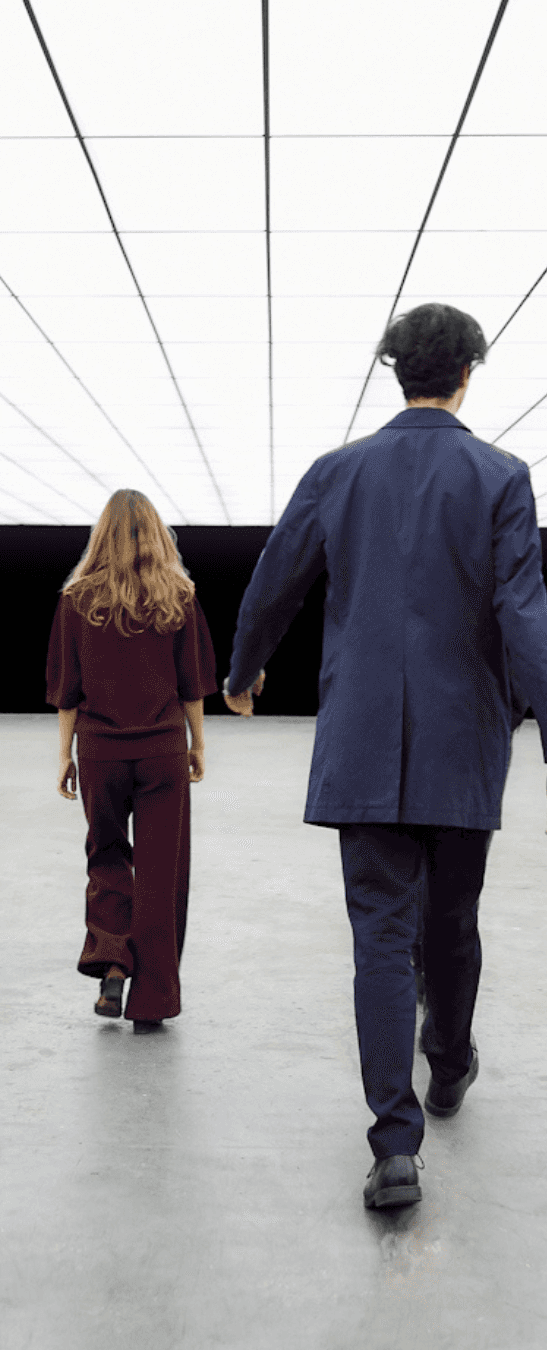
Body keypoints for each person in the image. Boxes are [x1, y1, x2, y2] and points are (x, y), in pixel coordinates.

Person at [223, 302, 547, 1209]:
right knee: (453, 920)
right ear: (470, 374)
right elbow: (524, 611)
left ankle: (394, 1147)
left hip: (362, 741)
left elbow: (275, 578)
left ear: (393, 371)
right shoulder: (502, 475)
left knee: (379, 939)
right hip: (463, 742)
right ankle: (448, 1068)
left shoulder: (339, 471)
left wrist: (242, 670)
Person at [46, 489, 218, 1031]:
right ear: (158, 534)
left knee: (107, 857)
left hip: (100, 750)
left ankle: (113, 960)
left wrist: (64, 757)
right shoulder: (180, 596)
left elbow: (66, 691)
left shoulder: (76, 600)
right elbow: (193, 684)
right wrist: (197, 743)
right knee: (163, 875)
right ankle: (154, 1000)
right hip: (162, 750)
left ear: (101, 536)